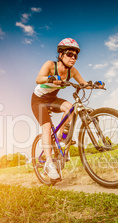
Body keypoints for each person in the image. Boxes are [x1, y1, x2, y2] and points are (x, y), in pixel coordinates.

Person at [31, 38, 91, 182]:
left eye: (76, 55)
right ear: (61, 55)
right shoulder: (50, 65)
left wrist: (95, 85)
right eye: (70, 54)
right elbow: (38, 79)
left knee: (70, 108)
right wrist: (51, 78)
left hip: (51, 100)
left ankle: (59, 135)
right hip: (38, 100)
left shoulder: (73, 71)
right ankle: (49, 164)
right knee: (46, 127)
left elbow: (84, 84)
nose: (73, 58)